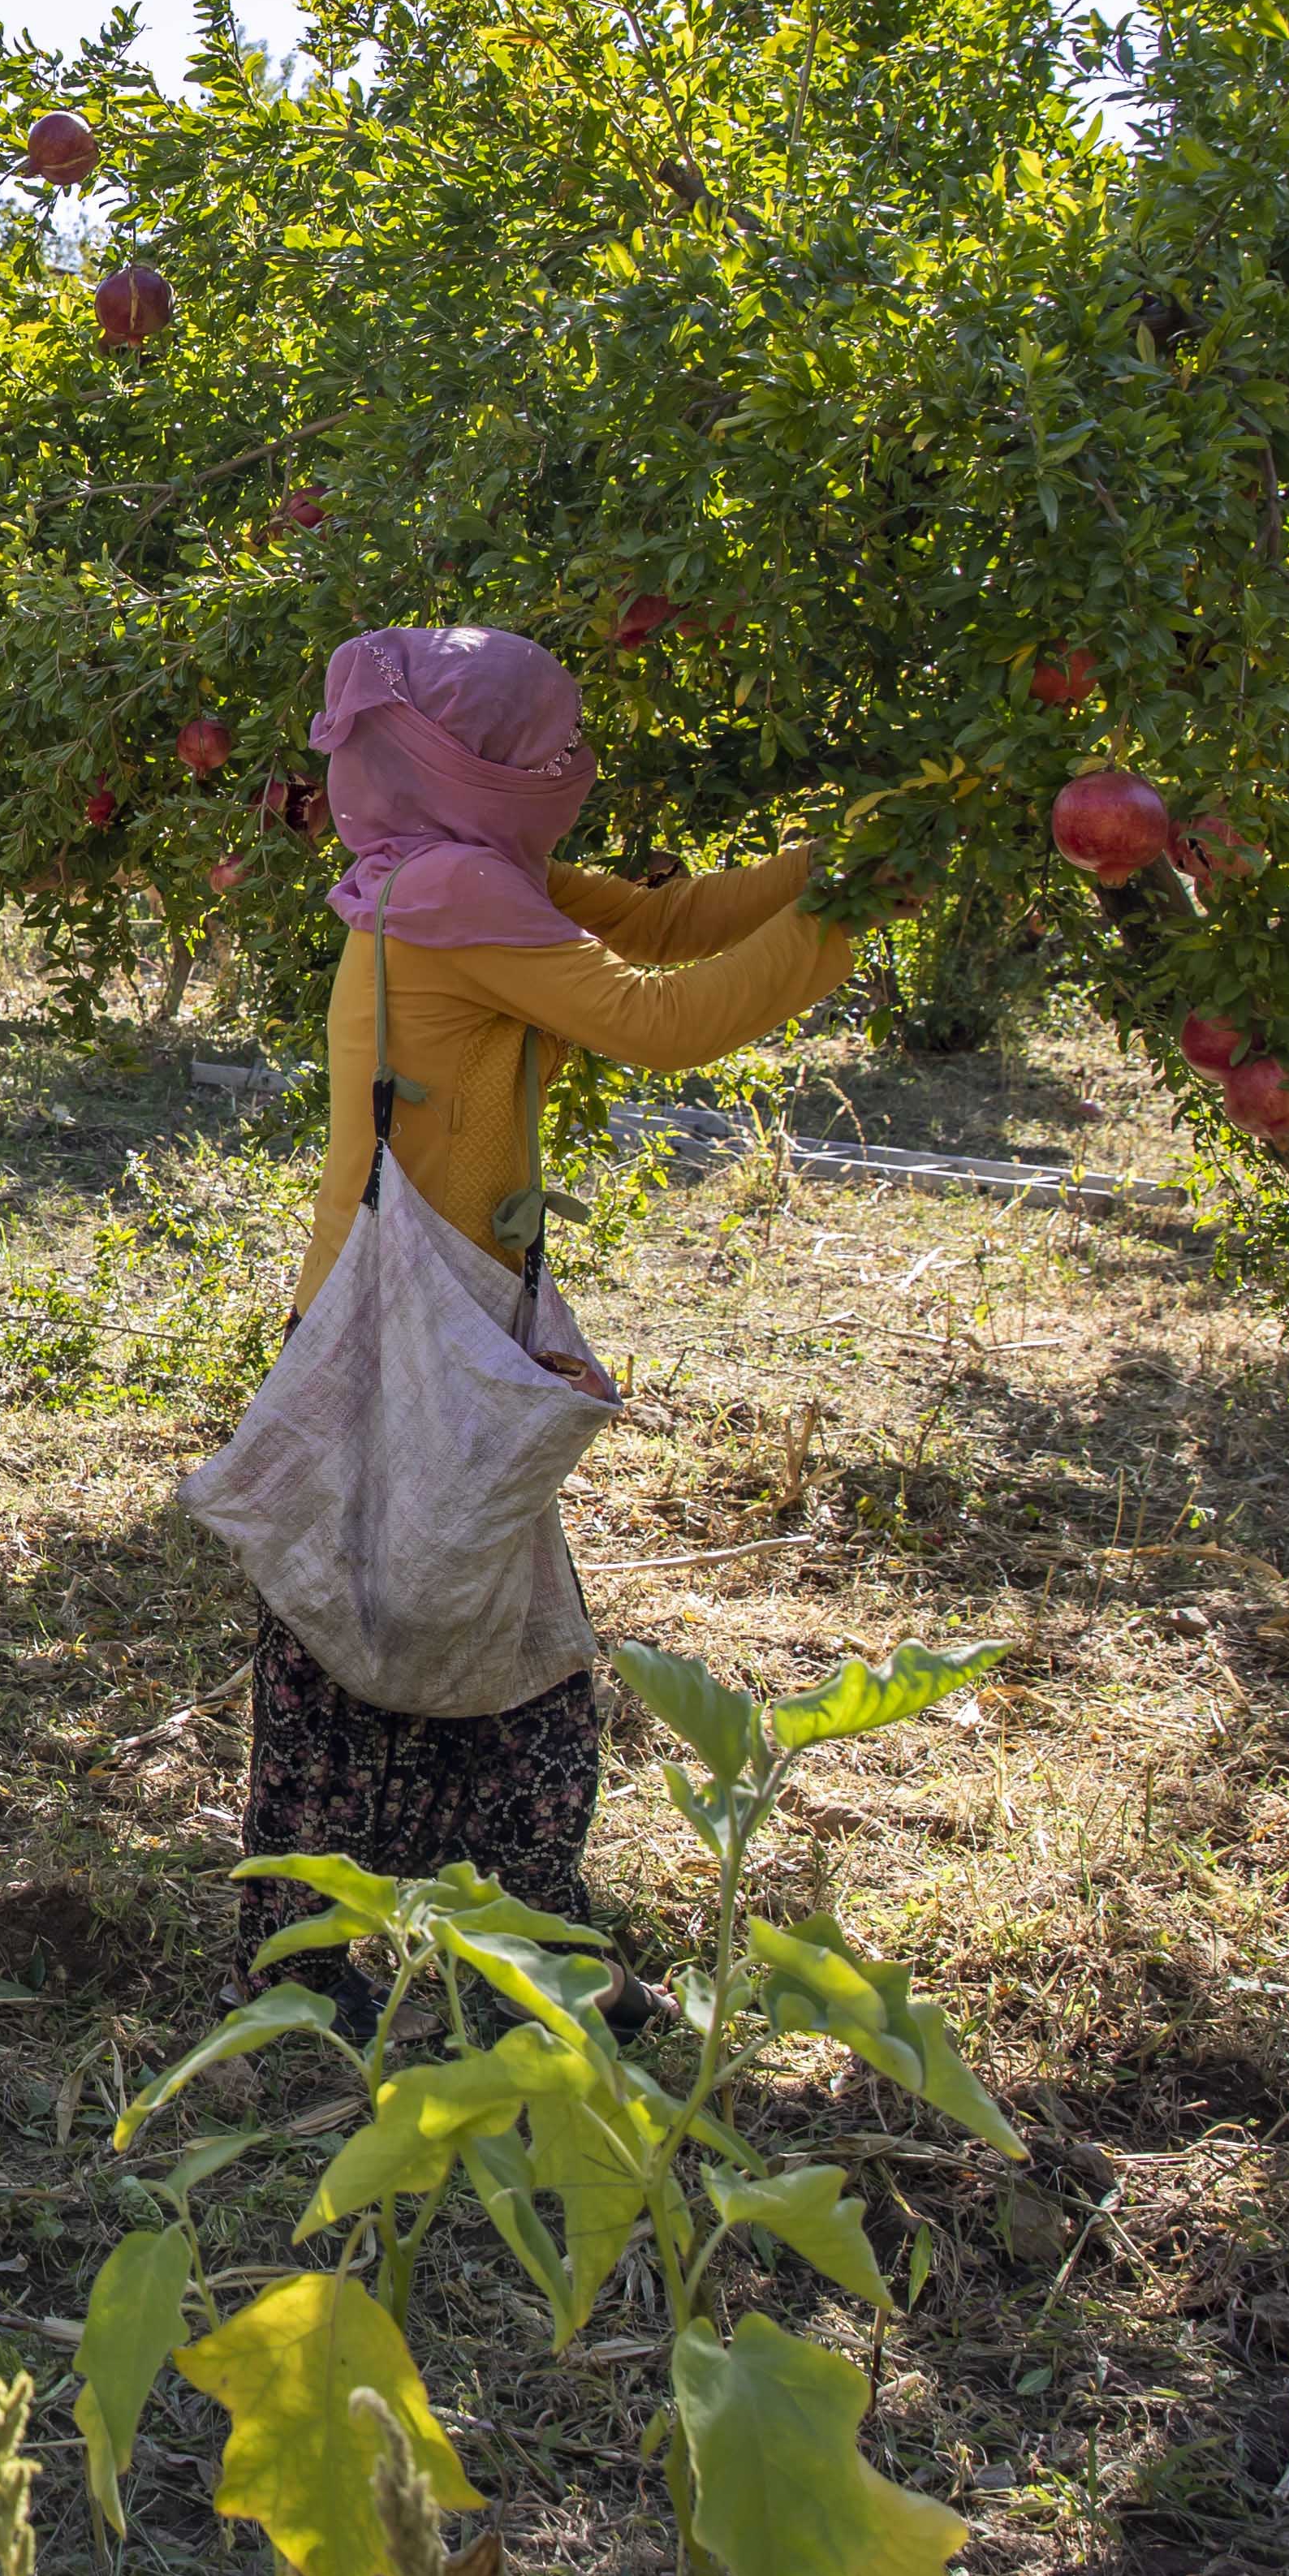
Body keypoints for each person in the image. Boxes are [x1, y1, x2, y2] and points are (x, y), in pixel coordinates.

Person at [240, 622, 856, 2019]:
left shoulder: (446, 873)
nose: (559, 771)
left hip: (416, 1309)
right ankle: (444, 1961)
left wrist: (852, 860)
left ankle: (431, 1951)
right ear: (485, 763)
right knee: (423, 1651)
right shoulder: (453, 890)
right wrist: (863, 902)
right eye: (539, 750)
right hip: (411, 1328)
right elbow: (671, 1017)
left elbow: (659, 928)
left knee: (431, 1635)